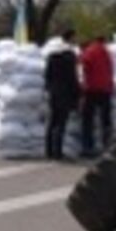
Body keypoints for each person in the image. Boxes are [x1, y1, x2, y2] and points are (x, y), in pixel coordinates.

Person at [43, 29, 80, 161]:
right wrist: (77, 93)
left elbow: (47, 76)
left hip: (53, 92)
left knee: (52, 121)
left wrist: (48, 88)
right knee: (61, 122)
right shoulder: (69, 56)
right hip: (65, 92)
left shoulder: (51, 56)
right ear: (71, 38)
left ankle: (48, 151)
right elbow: (72, 77)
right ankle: (58, 152)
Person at [79, 34, 115, 157]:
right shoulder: (106, 52)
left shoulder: (89, 51)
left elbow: (84, 65)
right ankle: (107, 145)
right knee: (105, 119)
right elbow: (110, 69)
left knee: (87, 119)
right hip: (105, 89)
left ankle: (87, 147)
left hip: (91, 89)